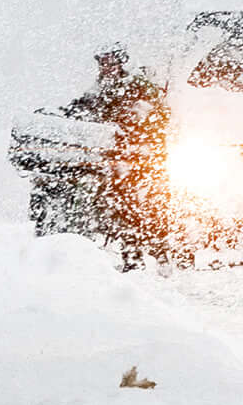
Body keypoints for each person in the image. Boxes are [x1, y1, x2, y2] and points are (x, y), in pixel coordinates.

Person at [62, 44, 168, 268]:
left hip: (142, 157)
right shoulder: (99, 87)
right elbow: (83, 106)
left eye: (110, 61)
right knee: (120, 205)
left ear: (121, 62)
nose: (106, 66)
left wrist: (135, 122)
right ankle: (131, 254)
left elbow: (158, 113)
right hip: (115, 157)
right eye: (103, 62)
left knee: (141, 205)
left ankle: (154, 254)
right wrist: (67, 113)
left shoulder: (137, 85)